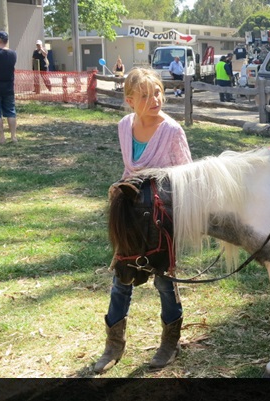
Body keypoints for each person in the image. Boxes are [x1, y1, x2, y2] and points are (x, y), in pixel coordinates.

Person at [94, 68, 192, 374]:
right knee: (121, 278)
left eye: (159, 92)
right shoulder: (124, 126)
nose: (155, 100)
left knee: (164, 280)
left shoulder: (172, 131)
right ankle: (113, 346)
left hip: (161, 218)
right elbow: (129, 170)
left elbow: (187, 176)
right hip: (133, 214)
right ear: (129, 100)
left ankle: (169, 344)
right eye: (146, 95)